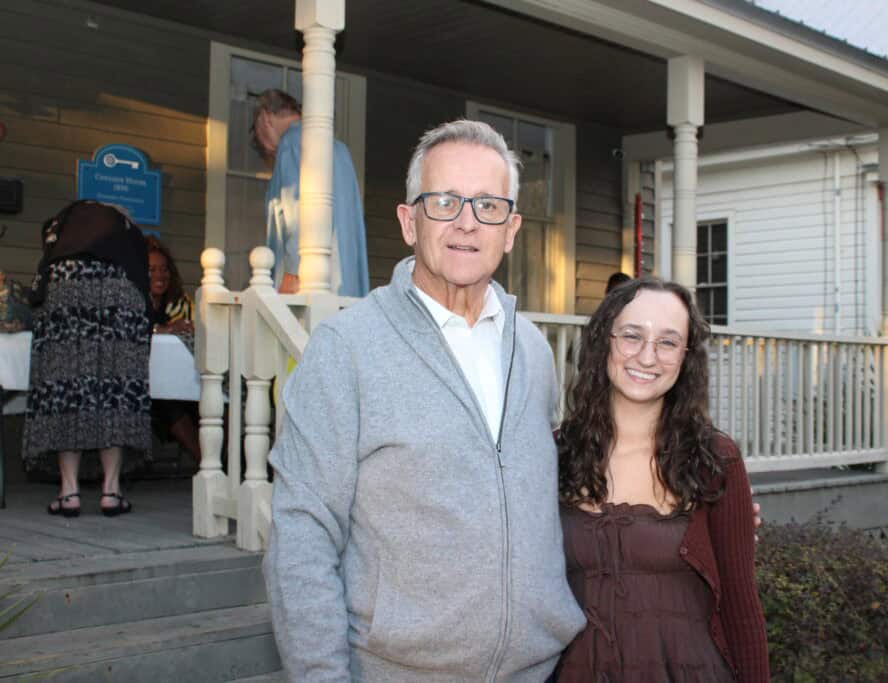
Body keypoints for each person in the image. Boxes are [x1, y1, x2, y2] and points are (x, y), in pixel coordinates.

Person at [263, 119, 586, 681]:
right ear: (410, 222)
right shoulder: (347, 348)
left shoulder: (532, 351)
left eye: (487, 205)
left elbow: (550, 496)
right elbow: (301, 532)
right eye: (444, 202)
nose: (466, 222)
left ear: (511, 229)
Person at [555, 277, 769, 682]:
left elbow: (743, 609)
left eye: (668, 342)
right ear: (605, 341)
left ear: (686, 357)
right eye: (632, 335)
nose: (648, 357)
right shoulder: (555, 456)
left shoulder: (715, 462)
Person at [23, 200, 152, 517]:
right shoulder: (126, 229)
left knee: (66, 386)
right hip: (120, 289)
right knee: (115, 387)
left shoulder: (65, 222)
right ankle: (111, 491)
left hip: (64, 285)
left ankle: (69, 494)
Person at [253, 89, 369, 297]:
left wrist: (291, 273)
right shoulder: (339, 149)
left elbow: (298, 210)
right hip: (345, 286)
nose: (266, 150)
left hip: (308, 288)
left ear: (265, 119)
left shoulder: (291, 142)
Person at [146, 235, 201, 467]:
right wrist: (165, 329)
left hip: (179, 378)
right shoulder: (134, 302)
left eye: (164, 269)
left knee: (211, 394)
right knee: (170, 403)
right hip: (145, 387)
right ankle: (205, 462)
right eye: (152, 269)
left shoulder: (179, 303)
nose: (160, 274)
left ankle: (225, 460)